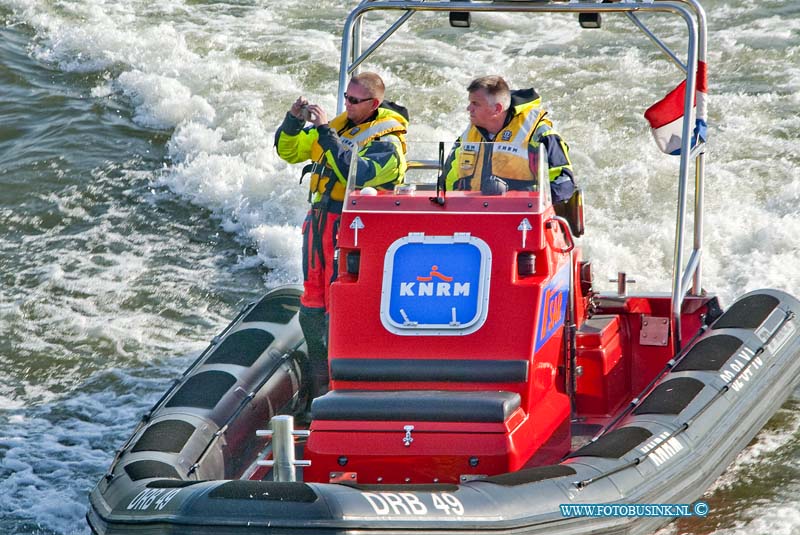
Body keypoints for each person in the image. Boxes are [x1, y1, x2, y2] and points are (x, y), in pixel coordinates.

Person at [275, 72, 408, 398]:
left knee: (344, 308)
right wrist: (293, 121)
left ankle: (346, 388)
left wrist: (324, 130)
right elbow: (288, 152)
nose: (346, 104)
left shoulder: (388, 143)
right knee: (312, 307)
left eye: (354, 100)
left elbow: (356, 172)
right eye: (345, 97)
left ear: (373, 104)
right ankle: (319, 387)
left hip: (353, 230)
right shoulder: (339, 126)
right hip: (319, 225)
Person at [444, 75, 575, 202]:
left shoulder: (539, 133)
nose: (469, 108)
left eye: (475, 104)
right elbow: (447, 181)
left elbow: (564, 183)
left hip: (522, 216)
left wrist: (521, 197)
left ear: (497, 108)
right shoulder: (468, 135)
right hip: (470, 214)